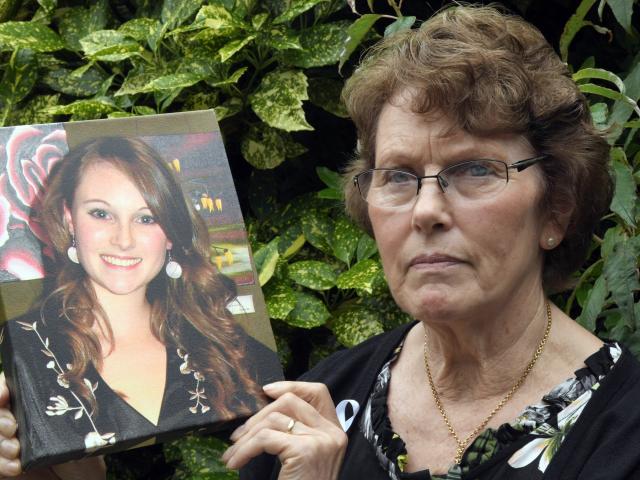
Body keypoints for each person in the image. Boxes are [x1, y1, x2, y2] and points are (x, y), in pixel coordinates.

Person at [224, 5, 640, 480]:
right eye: (398, 176)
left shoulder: (624, 436)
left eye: (475, 170)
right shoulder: (318, 406)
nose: (425, 211)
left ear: (556, 208)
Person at [0, 137, 280, 475]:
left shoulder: (234, 350)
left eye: (146, 218)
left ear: (171, 233)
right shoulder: (25, 347)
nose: (124, 239)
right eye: (101, 213)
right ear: (70, 219)